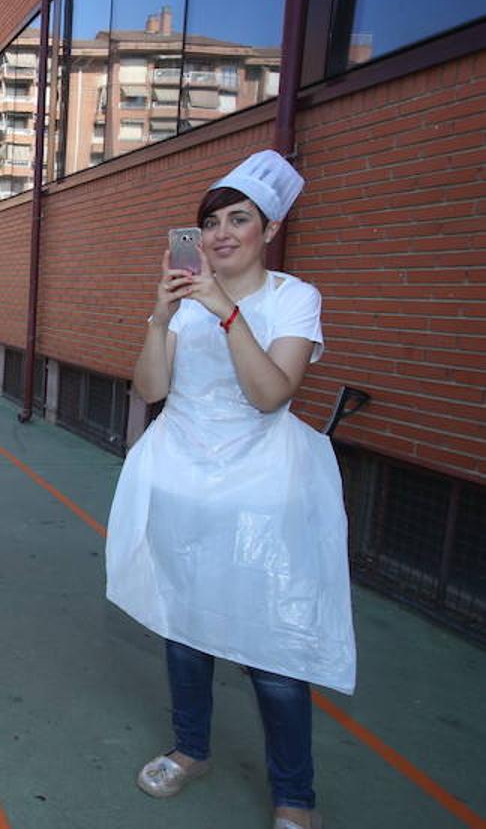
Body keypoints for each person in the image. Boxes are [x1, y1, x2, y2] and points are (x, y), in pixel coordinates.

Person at [105, 151, 353, 829]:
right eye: (209, 221)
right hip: (182, 483)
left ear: (267, 229)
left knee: (274, 647)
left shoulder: (294, 298)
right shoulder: (184, 303)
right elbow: (150, 390)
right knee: (184, 628)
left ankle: (294, 794)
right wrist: (159, 318)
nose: (220, 233)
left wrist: (224, 313)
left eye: (238, 219)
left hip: (263, 493)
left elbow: (272, 393)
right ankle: (191, 750)